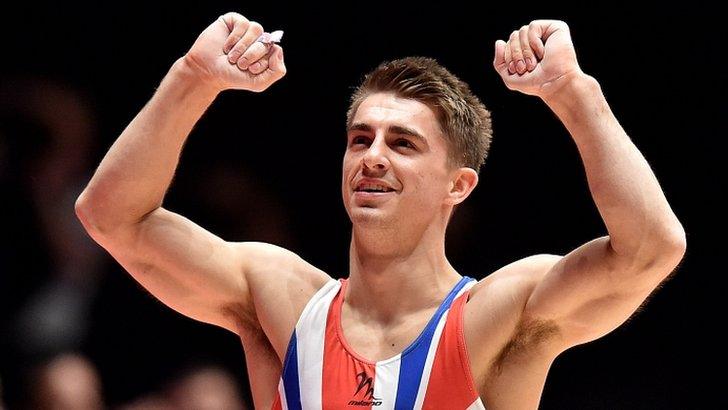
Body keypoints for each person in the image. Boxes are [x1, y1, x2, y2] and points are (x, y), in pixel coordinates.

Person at [75, 12, 687, 409]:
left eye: (403, 143)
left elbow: (651, 250)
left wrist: (573, 92)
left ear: (459, 185)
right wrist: (193, 77)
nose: (371, 157)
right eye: (360, 138)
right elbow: (111, 215)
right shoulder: (280, 299)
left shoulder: (498, 316)